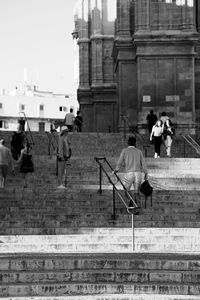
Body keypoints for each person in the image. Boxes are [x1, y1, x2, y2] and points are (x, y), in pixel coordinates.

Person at [113, 136, 148, 212]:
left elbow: (120, 162)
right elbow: (143, 164)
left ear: (128, 143)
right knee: (137, 191)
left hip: (129, 173)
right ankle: (136, 207)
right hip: (138, 173)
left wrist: (116, 170)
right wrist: (146, 172)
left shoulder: (124, 151)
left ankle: (131, 200)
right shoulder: (139, 151)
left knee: (126, 190)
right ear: (135, 143)